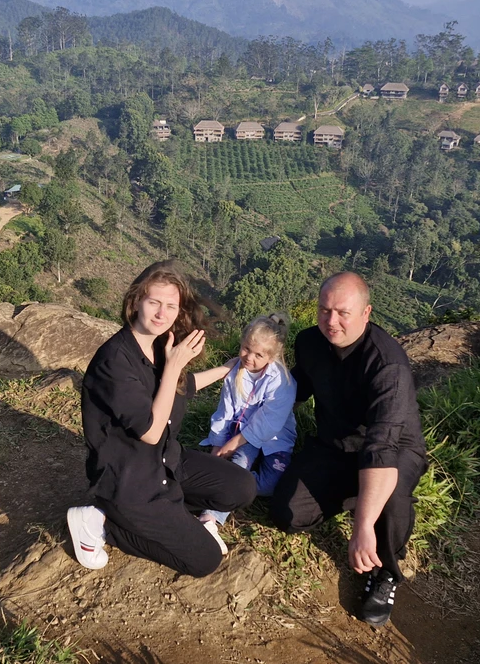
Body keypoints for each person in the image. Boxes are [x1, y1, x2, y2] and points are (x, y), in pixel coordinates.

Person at [67, 261, 257, 577]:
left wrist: (228, 368)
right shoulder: (115, 361)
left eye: (170, 306)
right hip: (130, 481)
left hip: (166, 461)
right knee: (205, 559)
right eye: (153, 302)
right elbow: (152, 431)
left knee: (241, 487)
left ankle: (169, 515)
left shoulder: (159, 344)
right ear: (135, 302)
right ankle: (102, 522)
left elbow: (180, 387)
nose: (161, 313)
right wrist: (173, 366)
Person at [270, 272, 427, 627]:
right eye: (324, 310)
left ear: (366, 313)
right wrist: (250, 423)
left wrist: (363, 525)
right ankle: (359, 494)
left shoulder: (387, 364)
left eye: (343, 312)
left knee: (391, 498)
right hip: (335, 444)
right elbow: (296, 389)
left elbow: (382, 445)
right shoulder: (310, 342)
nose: (331, 321)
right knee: (288, 514)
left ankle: (386, 572)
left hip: (394, 448)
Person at [196, 313, 297, 553]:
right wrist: (217, 445)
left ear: (272, 356)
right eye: (246, 349)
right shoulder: (235, 373)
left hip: (272, 439)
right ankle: (209, 518)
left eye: (258, 355)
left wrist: (231, 445)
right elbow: (224, 411)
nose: (249, 357)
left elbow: (267, 425)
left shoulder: (282, 382)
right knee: (238, 465)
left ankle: (226, 485)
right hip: (242, 434)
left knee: (271, 484)